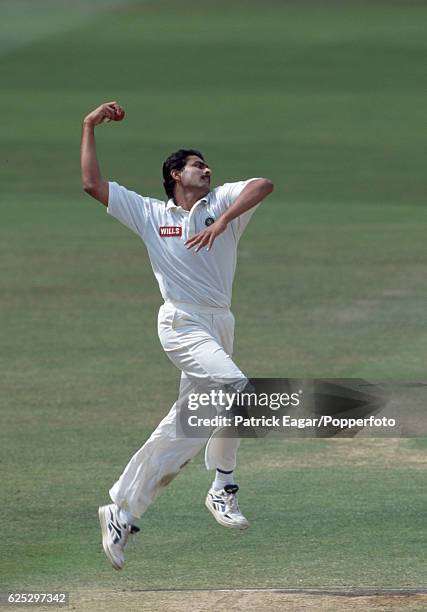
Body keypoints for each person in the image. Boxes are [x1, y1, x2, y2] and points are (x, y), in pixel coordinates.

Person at [80, 101, 274, 570]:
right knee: (238, 392)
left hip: (219, 323)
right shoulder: (149, 213)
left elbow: (264, 185)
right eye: (194, 165)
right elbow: (91, 184)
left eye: (206, 165)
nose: (205, 170)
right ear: (173, 176)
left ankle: (121, 511)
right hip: (182, 322)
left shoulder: (222, 203)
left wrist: (224, 222)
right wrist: (89, 126)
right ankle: (223, 485)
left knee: (189, 422)